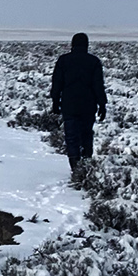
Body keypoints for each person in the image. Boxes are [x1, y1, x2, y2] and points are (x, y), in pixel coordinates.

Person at [49, 32, 107, 173]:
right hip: (88, 105)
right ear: (86, 45)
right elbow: (98, 85)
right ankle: (85, 166)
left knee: (71, 136)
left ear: (72, 44)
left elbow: (57, 83)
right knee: (86, 134)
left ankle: (76, 168)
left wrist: (55, 101)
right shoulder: (93, 61)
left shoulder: (63, 60)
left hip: (69, 105)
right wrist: (102, 105)